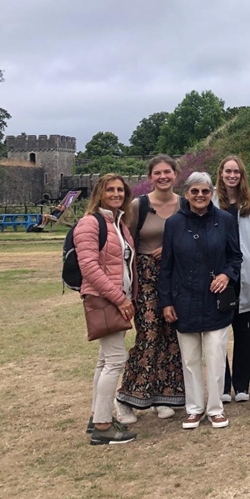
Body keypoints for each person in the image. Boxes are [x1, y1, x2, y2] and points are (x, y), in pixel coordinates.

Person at [159, 172, 242, 430]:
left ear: (211, 193)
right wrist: (166, 302)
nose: (200, 196)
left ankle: (216, 408)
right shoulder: (174, 224)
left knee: (216, 356)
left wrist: (227, 275)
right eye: (195, 191)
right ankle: (194, 409)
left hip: (216, 299)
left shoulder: (226, 220)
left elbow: (235, 257)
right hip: (184, 298)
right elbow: (167, 267)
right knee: (190, 360)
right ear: (187, 194)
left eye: (205, 191)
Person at [117, 155, 184, 422]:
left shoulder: (185, 204)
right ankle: (125, 398)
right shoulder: (139, 205)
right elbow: (126, 243)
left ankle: (163, 396)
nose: (163, 177)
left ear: (175, 174)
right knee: (148, 335)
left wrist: (171, 248)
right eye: (157, 173)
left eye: (167, 172)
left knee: (172, 337)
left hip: (176, 277)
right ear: (150, 177)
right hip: (145, 277)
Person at [78, 174, 138, 445]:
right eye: (110, 190)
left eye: (120, 190)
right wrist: (120, 298)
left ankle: (97, 417)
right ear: (99, 193)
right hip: (105, 300)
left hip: (116, 298)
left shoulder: (118, 224)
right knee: (115, 360)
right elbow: (89, 267)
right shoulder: (90, 223)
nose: (116, 194)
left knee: (104, 361)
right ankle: (103, 425)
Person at [214, 156, 250, 403]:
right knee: (219, 332)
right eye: (228, 171)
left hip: (244, 274)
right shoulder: (213, 201)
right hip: (219, 275)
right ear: (221, 173)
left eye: (236, 171)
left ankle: (241, 384)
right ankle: (223, 386)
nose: (232, 175)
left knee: (243, 331)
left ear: (241, 175)